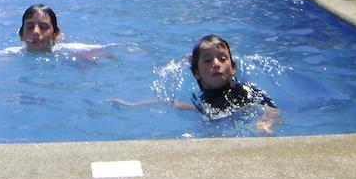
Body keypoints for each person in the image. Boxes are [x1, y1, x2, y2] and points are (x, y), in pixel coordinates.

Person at [109, 34, 278, 133]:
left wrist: (266, 123)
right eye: (207, 61)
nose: (216, 64)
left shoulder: (245, 92)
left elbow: (272, 108)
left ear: (233, 68)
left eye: (222, 59)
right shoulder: (200, 101)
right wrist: (131, 104)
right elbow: (171, 103)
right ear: (196, 73)